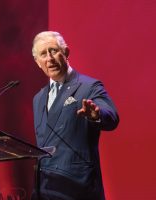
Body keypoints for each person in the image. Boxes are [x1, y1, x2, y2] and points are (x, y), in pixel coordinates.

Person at [31, 31, 119, 200]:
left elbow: (111, 116)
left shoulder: (88, 86)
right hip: (45, 189)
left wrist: (97, 114)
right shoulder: (38, 98)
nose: (49, 58)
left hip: (78, 188)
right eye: (43, 54)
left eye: (53, 50)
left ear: (66, 52)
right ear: (37, 62)